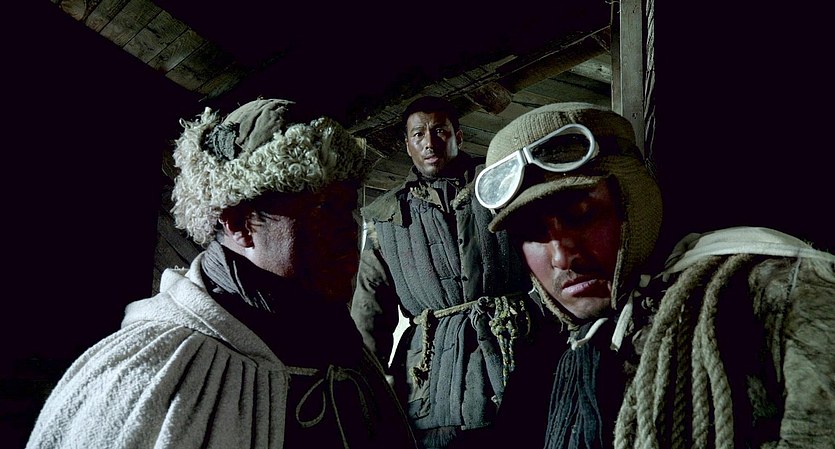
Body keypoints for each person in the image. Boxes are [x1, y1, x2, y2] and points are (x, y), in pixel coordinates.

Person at [25, 98, 417, 449]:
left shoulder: (345, 351)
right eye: (323, 208)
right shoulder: (145, 374)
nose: (349, 229)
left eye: (349, 208)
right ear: (240, 223)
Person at [464, 101, 835, 448]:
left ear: (633, 200)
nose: (561, 257)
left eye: (581, 215)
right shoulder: (555, 362)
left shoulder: (777, 291)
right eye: (533, 233)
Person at [350, 96, 533, 448]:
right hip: (430, 373)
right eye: (418, 135)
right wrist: (363, 388)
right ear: (408, 145)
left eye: (439, 131)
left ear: (457, 137)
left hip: (514, 348)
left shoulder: (501, 184)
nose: (429, 143)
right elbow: (370, 311)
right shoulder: (386, 217)